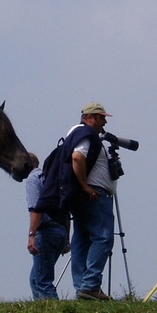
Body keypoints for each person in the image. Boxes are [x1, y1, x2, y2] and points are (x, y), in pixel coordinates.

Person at [34, 102, 117, 301]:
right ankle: (90, 285)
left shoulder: (77, 133)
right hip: (94, 196)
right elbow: (78, 158)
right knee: (104, 237)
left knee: (81, 239)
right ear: (91, 117)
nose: (105, 121)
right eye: (102, 117)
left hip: (81, 197)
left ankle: (83, 287)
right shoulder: (85, 134)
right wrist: (86, 187)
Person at [26, 153, 69, 300]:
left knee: (43, 281)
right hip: (60, 230)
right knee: (35, 278)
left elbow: (36, 208)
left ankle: (53, 308)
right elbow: (65, 208)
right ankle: (41, 308)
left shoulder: (33, 179)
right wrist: (67, 238)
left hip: (45, 232)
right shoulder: (52, 178)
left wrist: (32, 234)